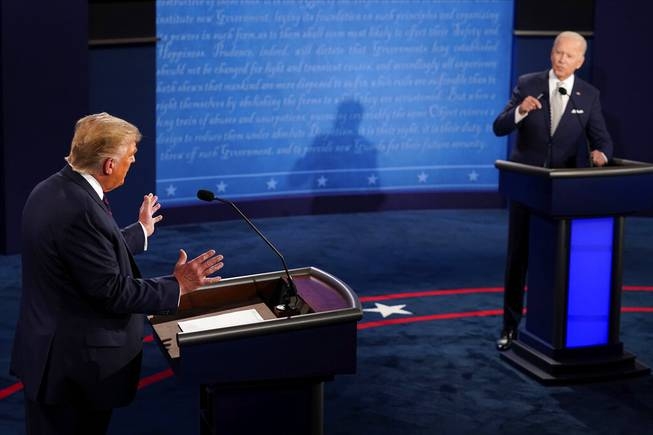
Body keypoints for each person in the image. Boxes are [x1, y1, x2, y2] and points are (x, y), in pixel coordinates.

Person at [10, 112, 225, 434]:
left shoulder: (51, 189)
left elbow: (84, 255)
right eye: (131, 157)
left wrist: (140, 231)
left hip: (51, 356)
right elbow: (111, 291)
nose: (132, 163)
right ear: (110, 164)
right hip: (75, 369)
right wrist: (178, 285)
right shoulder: (81, 210)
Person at [492, 31, 613, 351]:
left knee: (558, 260)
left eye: (569, 56)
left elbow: (602, 139)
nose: (562, 60)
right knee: (518, 258)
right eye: (558, 53)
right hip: (527, 186)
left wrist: (601, 154)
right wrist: (521, 112)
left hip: (565, 193)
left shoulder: (588, 95)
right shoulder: (528, 83)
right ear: (551, 53)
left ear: (580, 62)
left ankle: (555, 329)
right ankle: (510, 326)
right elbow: (499, 126)